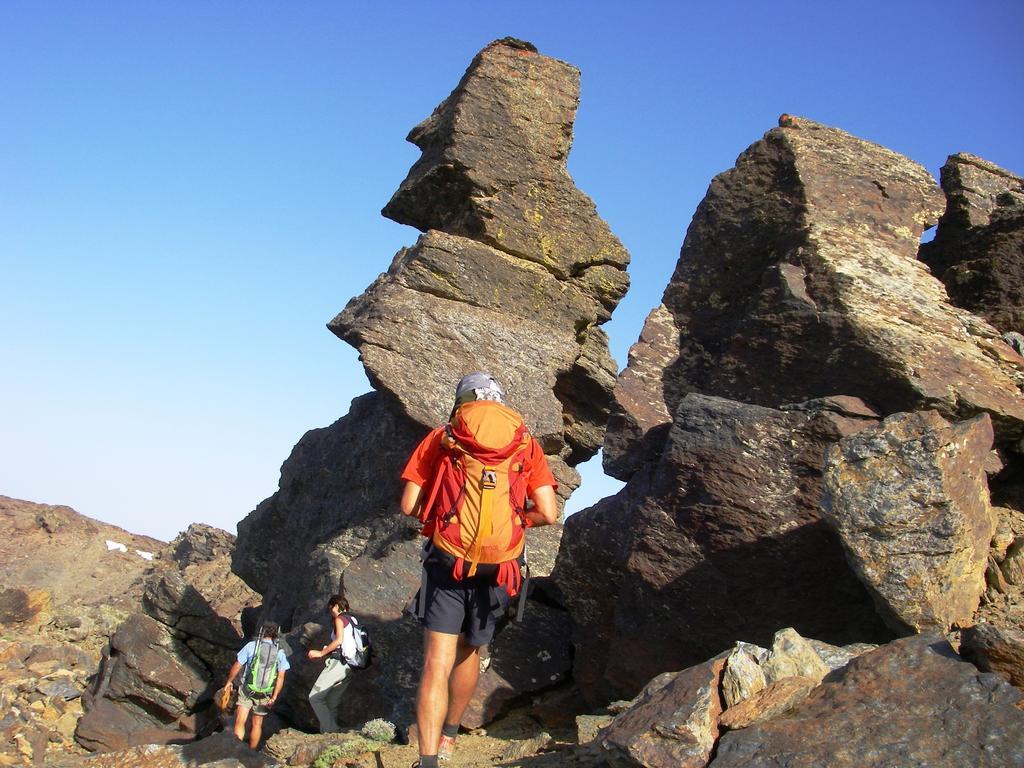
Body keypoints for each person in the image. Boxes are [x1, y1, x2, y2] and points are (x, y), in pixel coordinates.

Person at [400, 372, 558, 768]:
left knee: (437, 660)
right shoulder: (525, 442)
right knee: (471, 648)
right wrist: (517, 522)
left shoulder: (444, 436)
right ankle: (452, 734)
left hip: (447, 561)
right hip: (500, 567)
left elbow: (408, 505)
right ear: (500, 401)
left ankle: (429, 760)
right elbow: (549, 513)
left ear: (462, 402)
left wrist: (440, 518)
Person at [222, 621, 289, 749]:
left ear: (261, 632)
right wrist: (274, 697)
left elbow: (237, 665)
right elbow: (281, 677)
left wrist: (229, 681)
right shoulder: (279, 652)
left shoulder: (252, 646)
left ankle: (236, 750)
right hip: (265, 693)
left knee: (240, 720)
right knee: (257, 724)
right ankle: (251, 752)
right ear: (276, 635)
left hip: (248, 690)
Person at [306, 594, 355, 732]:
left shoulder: (340, 619)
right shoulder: (353, 620)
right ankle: (328, 737)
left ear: (335, 606)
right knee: (331, 703)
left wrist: (321, 653)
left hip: (339, 662)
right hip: (351, 665)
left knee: (314, 697)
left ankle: (332, 731)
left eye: (331, 608)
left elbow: (339, 640)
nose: (331, 612)